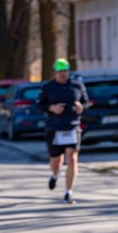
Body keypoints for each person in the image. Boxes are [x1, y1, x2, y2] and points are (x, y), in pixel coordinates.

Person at [37, 58, 88, 204]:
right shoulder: (48, 87)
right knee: (56, 161)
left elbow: (86, 102)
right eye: (60, 72)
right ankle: (54, 175)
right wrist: (52, 108)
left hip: (72, 126)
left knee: (72, 158)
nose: (63, 74)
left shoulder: (77, 86)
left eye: (65, 71)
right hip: (54, 127)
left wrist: (81, 107)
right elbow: (40, 105)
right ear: (55, 72)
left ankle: (68, 192)